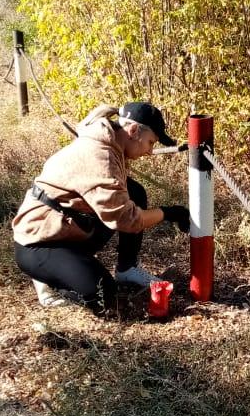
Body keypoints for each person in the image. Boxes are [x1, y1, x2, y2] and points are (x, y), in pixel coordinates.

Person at [12, 101, 190, 311]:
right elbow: (127, 219)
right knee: (104, 297)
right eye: (150, 142)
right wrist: (168, 213)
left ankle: (126, 268)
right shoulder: (100, 156)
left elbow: (120, 202)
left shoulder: (112, 143)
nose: (150, 152)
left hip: (67, 226)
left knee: (135, 192)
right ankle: (51, 279)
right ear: (133, 131)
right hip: (40, 241)